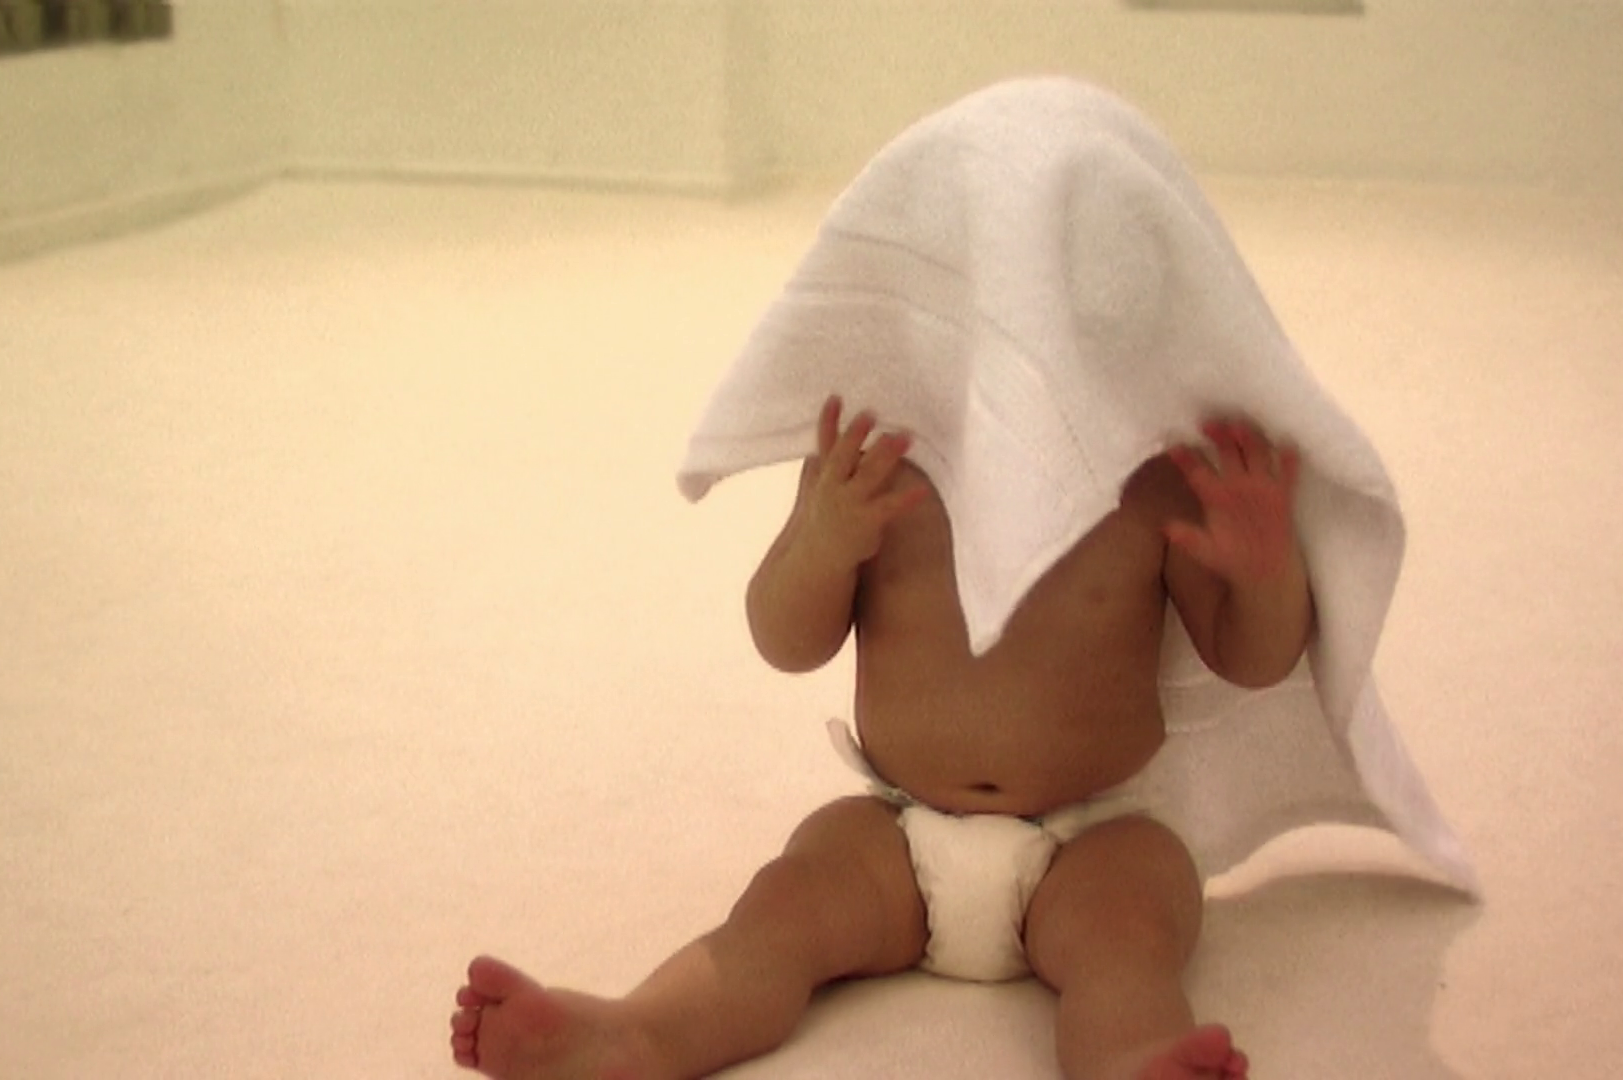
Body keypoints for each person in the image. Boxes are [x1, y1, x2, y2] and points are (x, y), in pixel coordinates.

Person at [451, 391, 1314, 1080]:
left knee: (1129, 945)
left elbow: (1251, 659)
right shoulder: (874, 451)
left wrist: (1265, 574)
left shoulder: (1157, 470)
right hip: (898, 831)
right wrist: (824, 542)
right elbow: (785, 639)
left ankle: (1135, 1059)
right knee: (779, 913)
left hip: (1094, 838)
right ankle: (635, 1035)